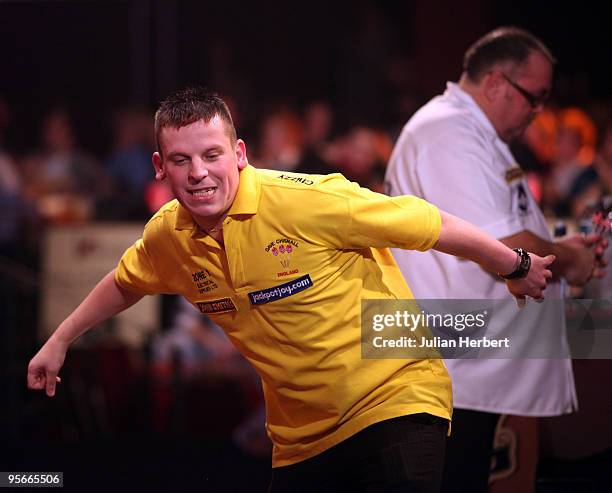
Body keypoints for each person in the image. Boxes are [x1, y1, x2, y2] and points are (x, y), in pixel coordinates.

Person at [29, 87, 554, 493]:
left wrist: (515, 264)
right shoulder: (168, 236)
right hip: (301, 438)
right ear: (159, 166)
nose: (199, 174)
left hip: (394, 400)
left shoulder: (304, 201)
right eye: (182, 161)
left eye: (211, 155)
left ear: (238, 153)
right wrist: (60, 340)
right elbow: (124, 282)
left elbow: (425, 222)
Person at [384, 27, 606, 493]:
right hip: (447, 363)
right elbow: (503, 248)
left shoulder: (474, 133)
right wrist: (570, 259)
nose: (538, 111)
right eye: (534, 97)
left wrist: (570, 247)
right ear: (497, 84)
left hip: (469, 355)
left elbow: (512, 230)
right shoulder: (445, 132)